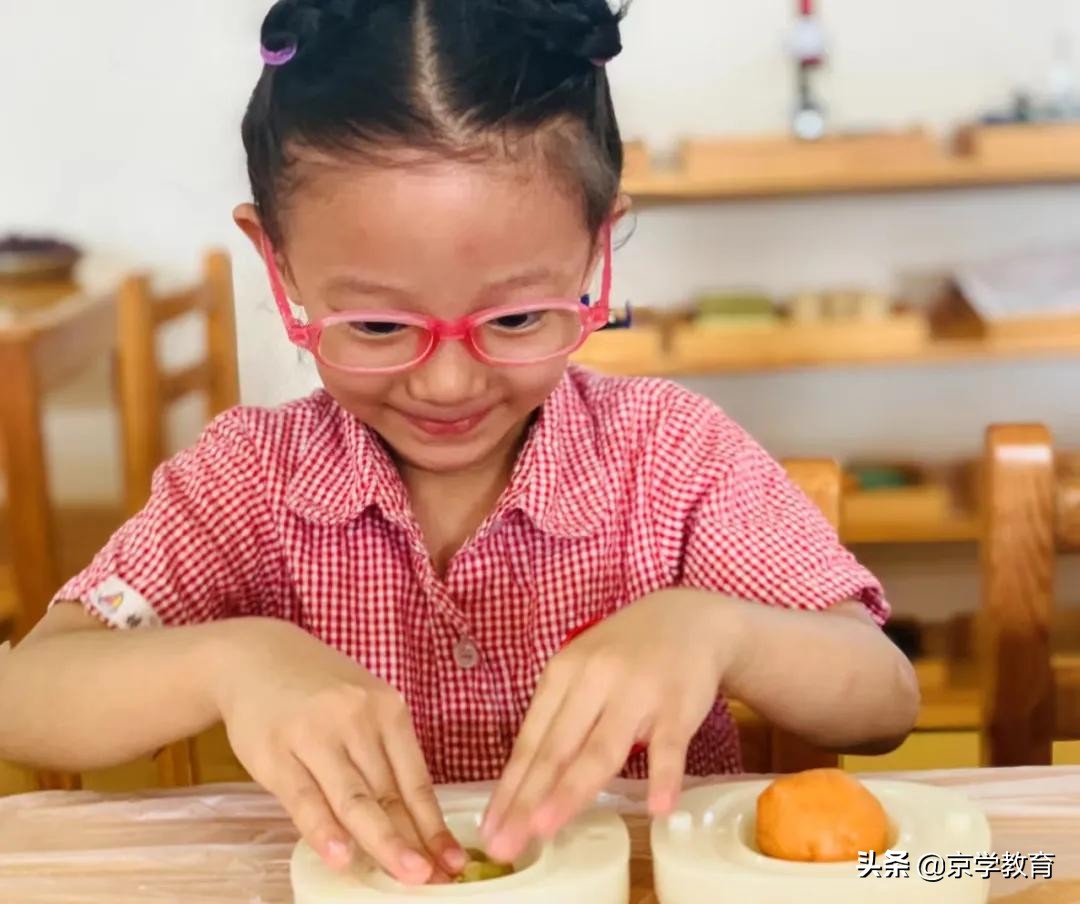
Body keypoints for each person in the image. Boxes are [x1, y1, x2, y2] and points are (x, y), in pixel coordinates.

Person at [0, 0, 919, 887]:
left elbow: (883, 699)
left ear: (598, 251)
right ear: (277, 264)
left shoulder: (669, 456)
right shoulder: (249, 483)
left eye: (518, 316)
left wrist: (722, 631)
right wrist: (230, 665)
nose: (447, 383)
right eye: (376, 327)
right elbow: (28, 696)